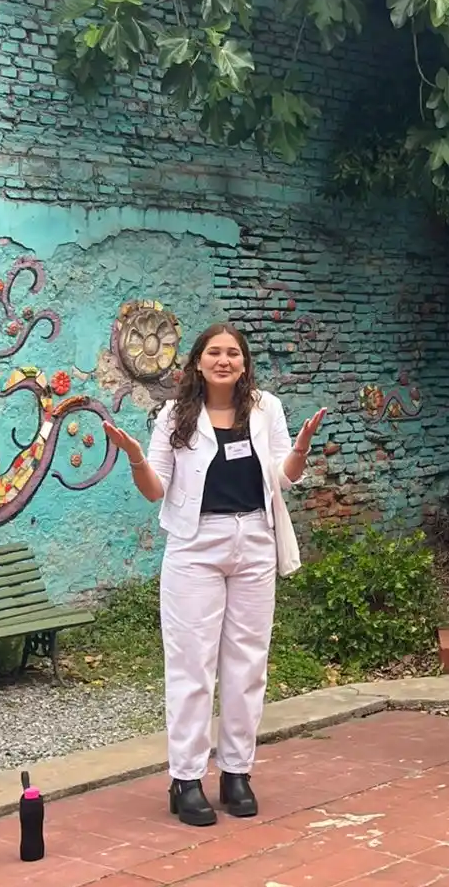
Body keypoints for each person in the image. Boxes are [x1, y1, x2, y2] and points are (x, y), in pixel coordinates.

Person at [104, 323, 324, 825]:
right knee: (192, 666)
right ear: (197, 362)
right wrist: (136, 458)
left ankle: (236, 772)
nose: (224, 360)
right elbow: (155, 490)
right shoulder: (174, 415)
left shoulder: (266, 409)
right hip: (195, 544)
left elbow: (283, 477)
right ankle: (185, 778)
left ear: (244, 363)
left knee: (248, 663)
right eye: (214, 352)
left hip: (253, 539)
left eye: (233, 353)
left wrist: (302, 448)